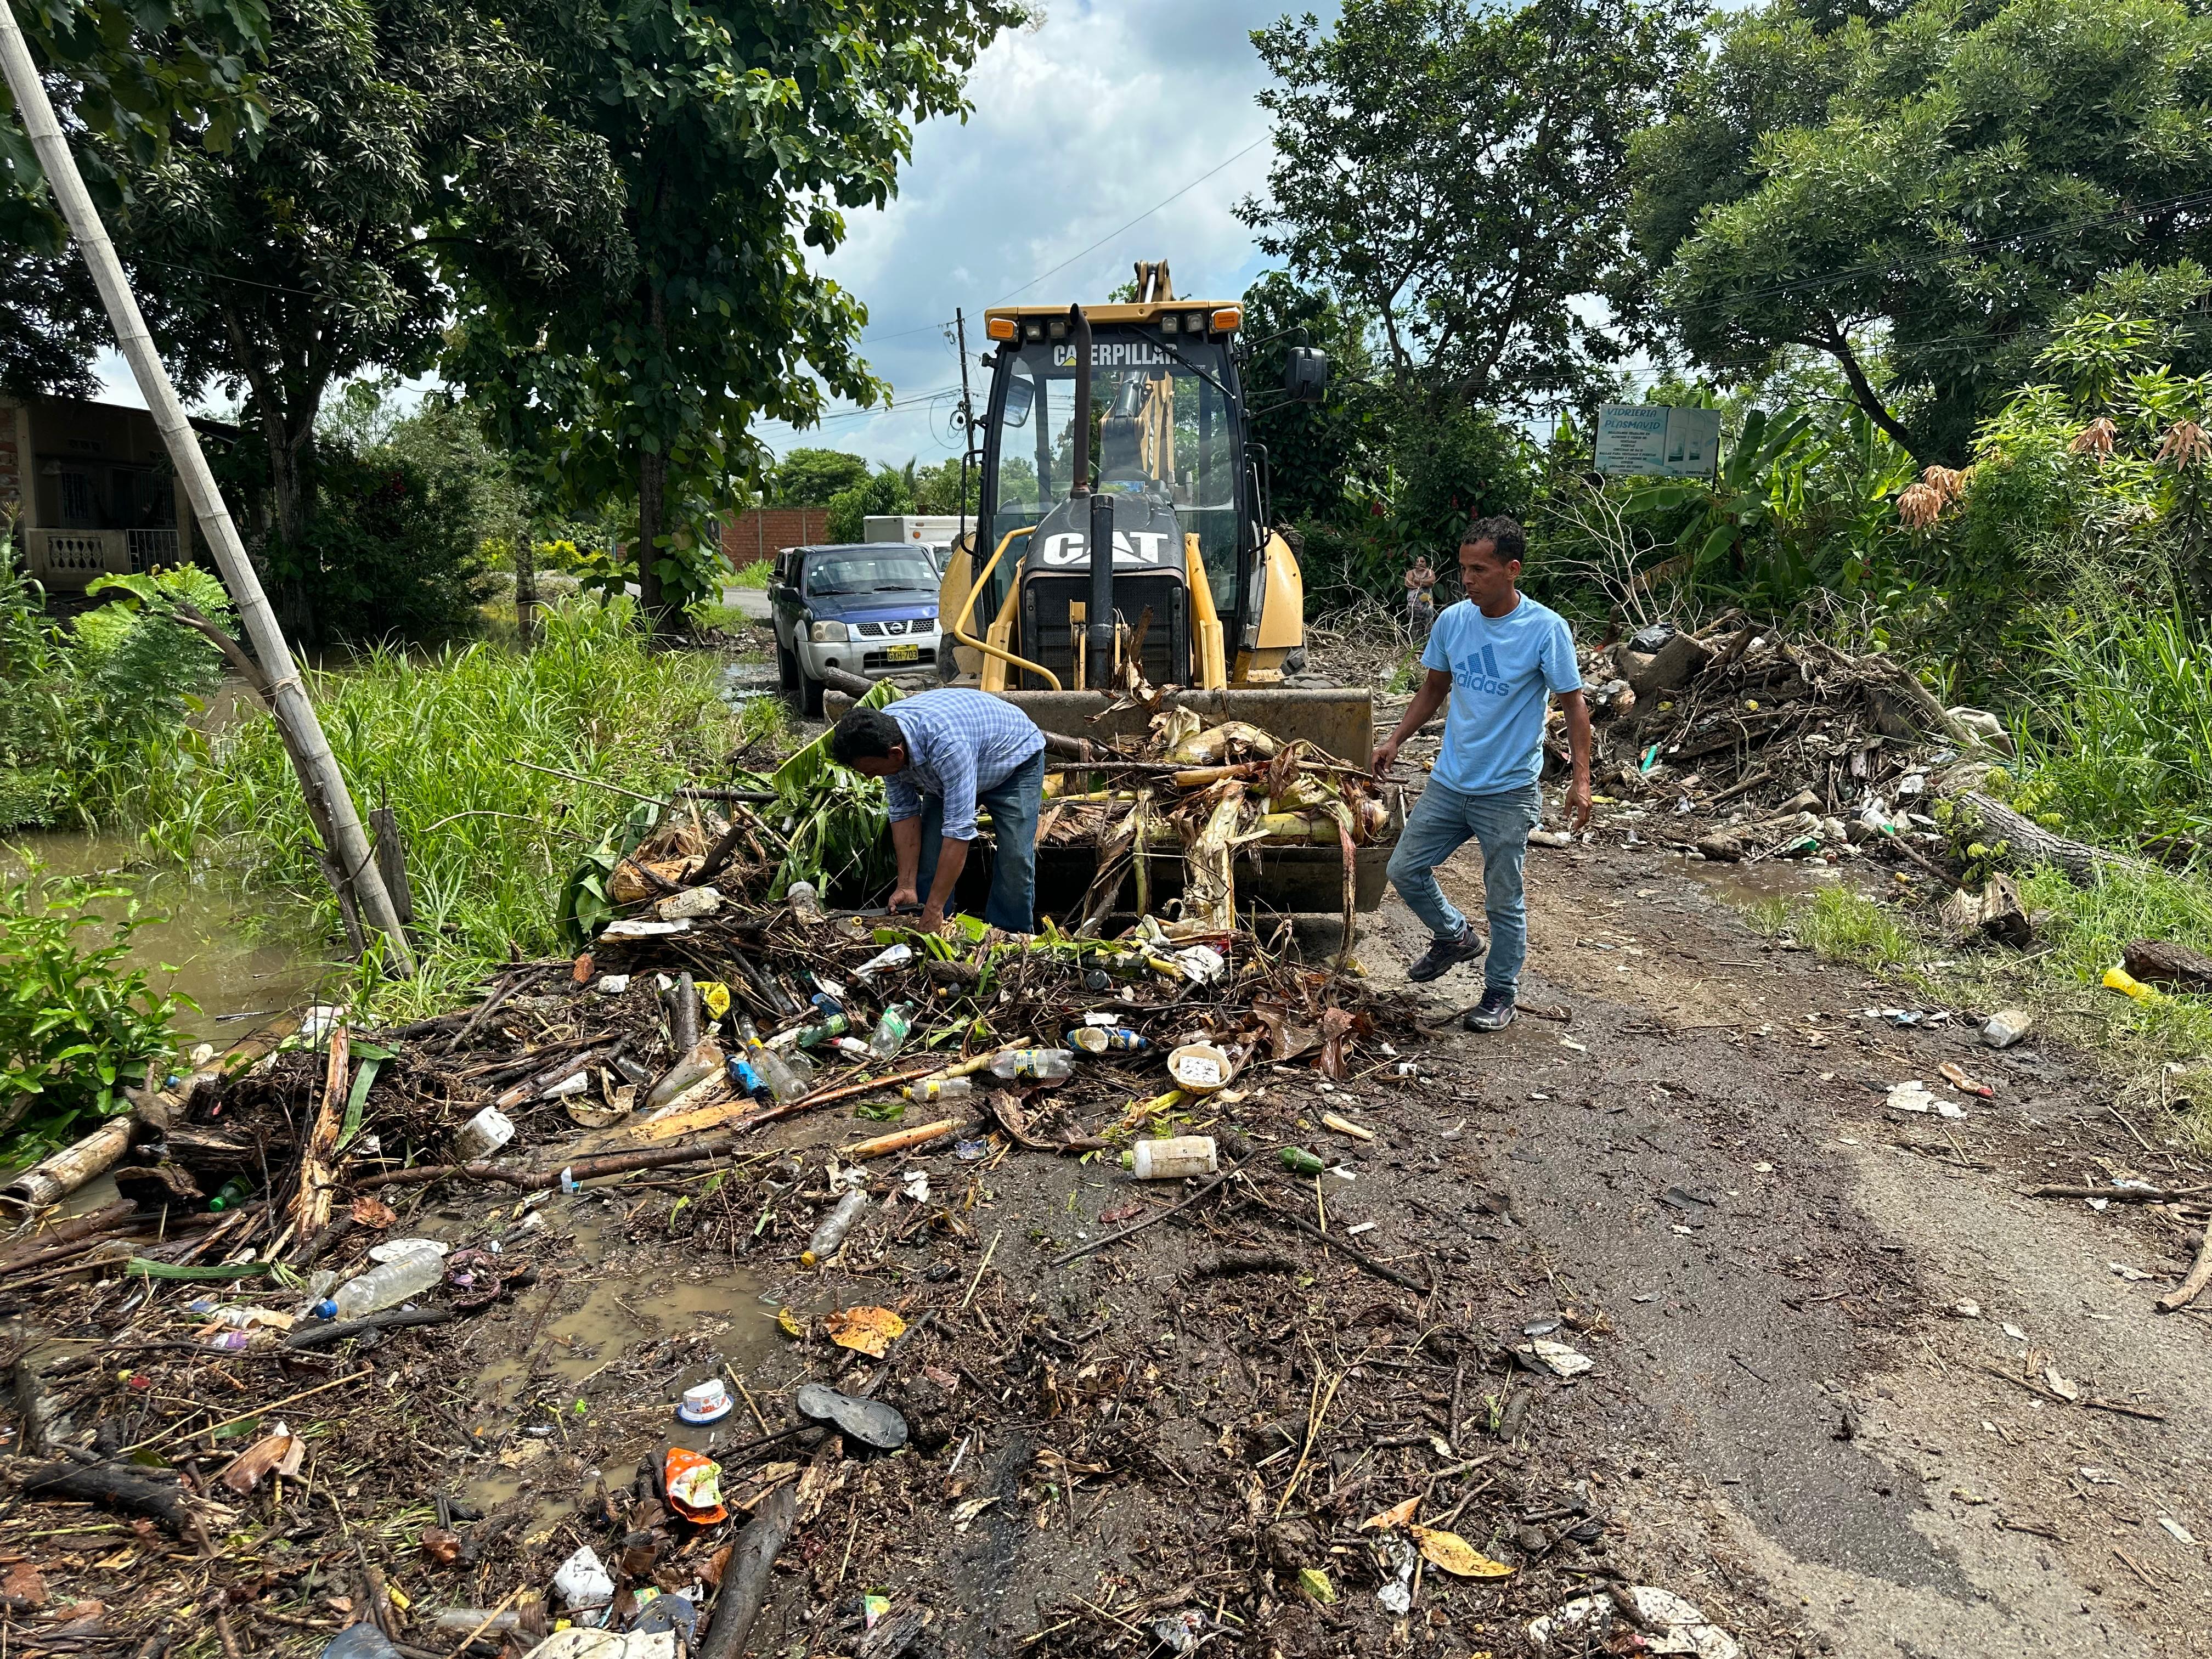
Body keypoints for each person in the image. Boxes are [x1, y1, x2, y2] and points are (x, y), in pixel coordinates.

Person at [1373, 516, 1591, 1030]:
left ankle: (1499, 993)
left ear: (1512, 570)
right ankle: (1454, 936)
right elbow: (1434, 688)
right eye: (1463, 568)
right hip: (1450, 781)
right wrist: (1396, 738)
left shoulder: (1545, 629)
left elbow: (1575, 706)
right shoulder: (1453, 621)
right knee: (1403, 869)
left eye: (1480, 570)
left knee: (1503, 900)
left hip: (1508, 790)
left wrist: (1581, 781)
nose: (1467, 580)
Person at [829, 690, 1047, 933]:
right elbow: (903, 813)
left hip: (1013, 760)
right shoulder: (881, 737)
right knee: (930, 858)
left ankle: (1009, 935)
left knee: (1015, 859)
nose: (870, 777)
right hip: (949, 773)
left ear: (896, 754)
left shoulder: (947, 746)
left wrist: (934, 908)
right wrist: (906, 885)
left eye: (871, 771)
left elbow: (958, 833)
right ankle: (933, 926)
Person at [1404, 555, 1436, 636]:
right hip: (1413, 607)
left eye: (1422, 562)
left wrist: (1416, 580)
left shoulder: (1430, 572)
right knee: (1415, 630)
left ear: (1426, 563)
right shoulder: (1410, 573)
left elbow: (1432, 582)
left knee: (1429, 629)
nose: (1420, 563)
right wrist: (1425, 583)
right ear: (1415, 563)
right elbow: (1408, 583)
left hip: (1427, 606)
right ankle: (1416, 644)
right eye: (1418, 561)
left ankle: (1429, 644)